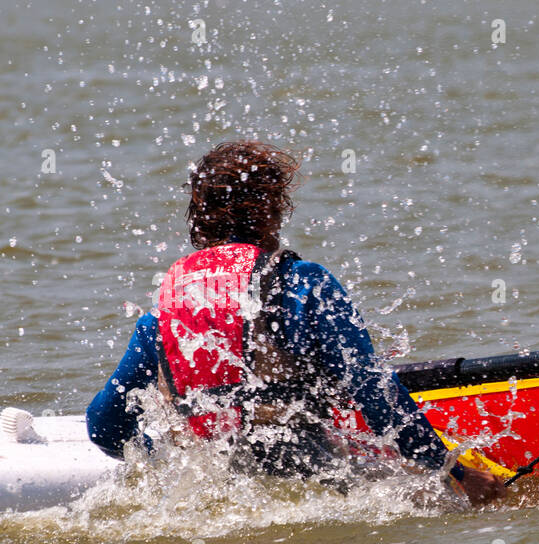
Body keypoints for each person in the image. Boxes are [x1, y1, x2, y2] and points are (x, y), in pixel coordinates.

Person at [87, 140, 504, 505]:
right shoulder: (304, 285)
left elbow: (103, 425)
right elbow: (374, 394)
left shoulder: (162, 317)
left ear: (199, 218)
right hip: (312, 483)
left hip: (213, 491)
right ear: (273, 211)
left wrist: (160, 467)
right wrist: (456, 472)